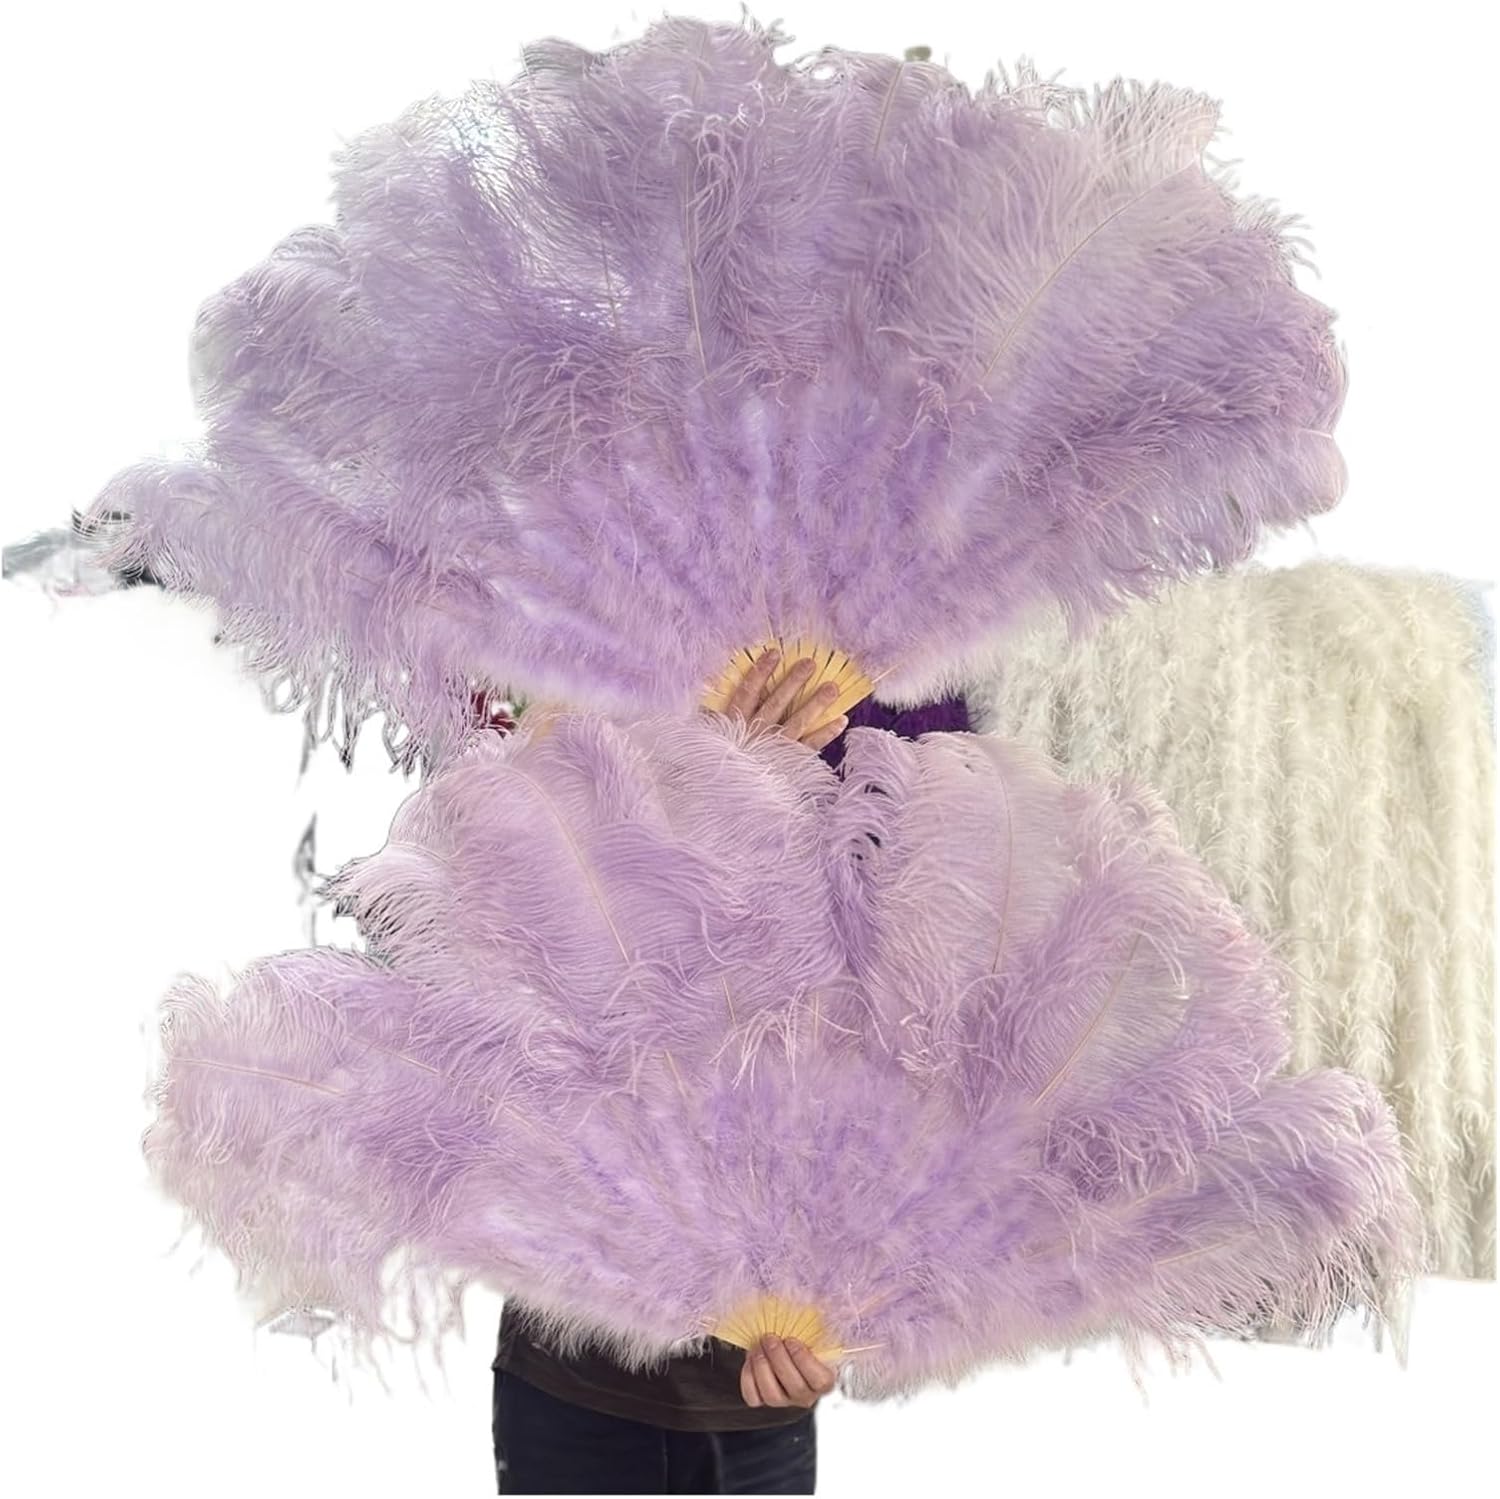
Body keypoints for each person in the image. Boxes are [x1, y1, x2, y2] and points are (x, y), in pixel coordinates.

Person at [491, 651, 971, 1495]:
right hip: (572, 1356)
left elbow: (926, 1020)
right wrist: (683, 758)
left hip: (762, 1382)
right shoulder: (606, 660)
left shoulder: (909, 717)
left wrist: (846, 1316)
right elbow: (511, 882)